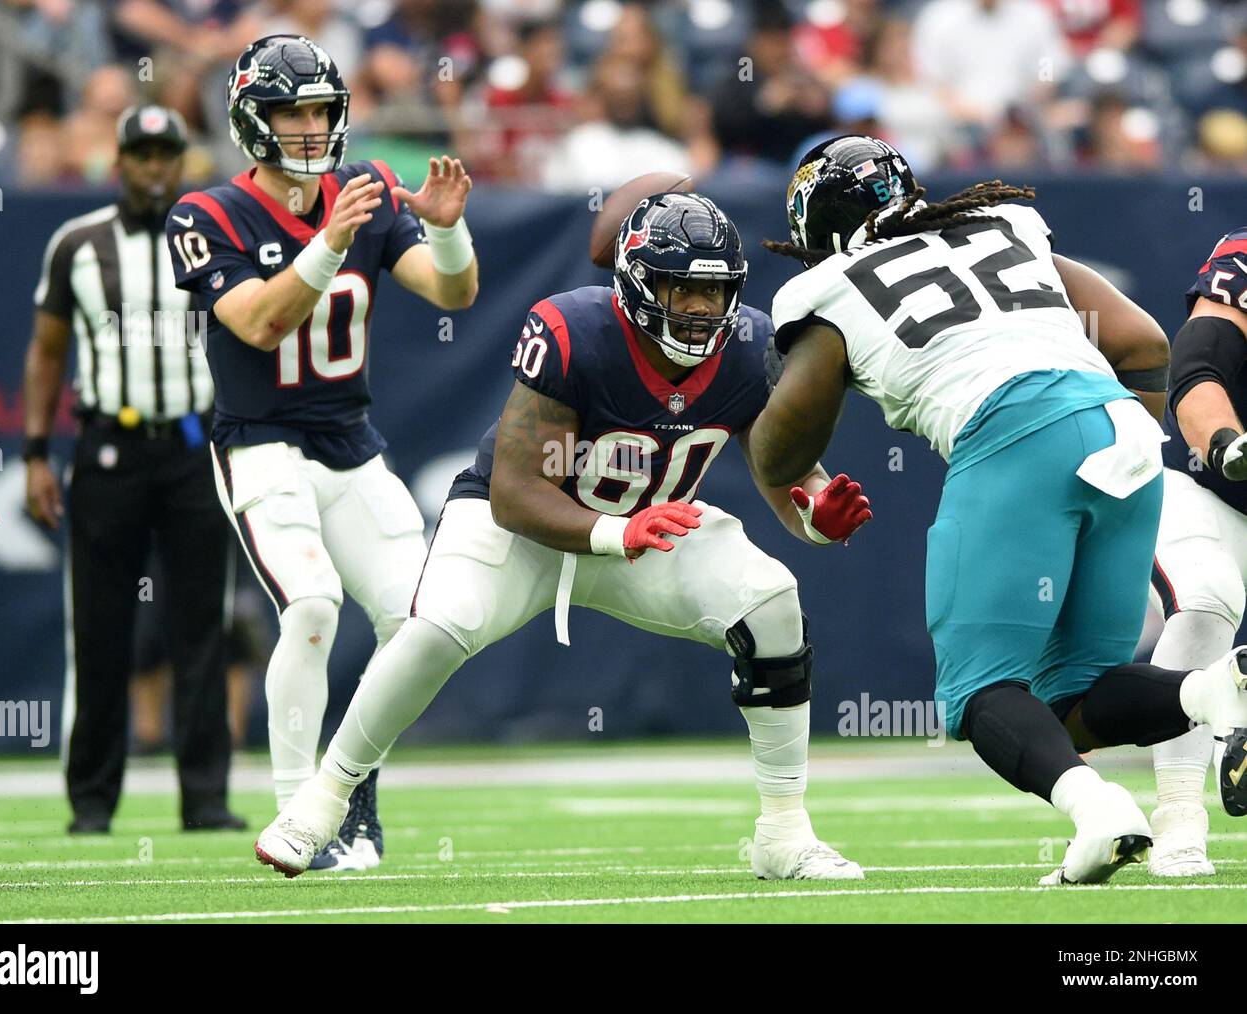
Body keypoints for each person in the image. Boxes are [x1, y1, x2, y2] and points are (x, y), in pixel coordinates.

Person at [254, 193, 873, 881]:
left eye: (714, 290)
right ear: (639, 283)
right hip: (520, 532)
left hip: (649, 531)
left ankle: (784, 832)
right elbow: (515, 494)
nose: (700, 309)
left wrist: (815, 514)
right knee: (435, 626)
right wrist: (617, 531)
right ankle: (326, 796)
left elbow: (782, 472)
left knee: (772, 601)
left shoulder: (751, 347)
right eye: (683, 289)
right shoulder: (575, 329)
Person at [751, 133, 1247, 886]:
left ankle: (1098, 813)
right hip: (1120, 431)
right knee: (1071, 698)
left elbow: (784, 450)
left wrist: (786, 469)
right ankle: (1213, 690)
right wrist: (1115, 445)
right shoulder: (1000, 225)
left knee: (981, 694)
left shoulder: (825, 289)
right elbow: (1145, 341)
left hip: (1012, 432)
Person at [166, 34, 478, 871]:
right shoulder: (207, 214)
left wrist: (447, 234)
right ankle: (297, 816)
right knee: (309, 605)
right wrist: (331, 243)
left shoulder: (362, 193)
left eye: (320, 110)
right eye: (290, 111)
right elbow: (261, 323)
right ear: (250, 120)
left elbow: (453, 291)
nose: (309, 127)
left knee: (419, 622)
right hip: (261, 442)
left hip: (350, 443)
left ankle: (355, 801)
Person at [23, 105, 242, 835]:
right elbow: (48, 351)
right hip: (108, 452)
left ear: (183, 162)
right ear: (119, 162)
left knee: (201, 627)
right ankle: (91, 804)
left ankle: (205, 799)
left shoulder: (212, 237)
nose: (153, 167)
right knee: (99, 628)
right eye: (140, 155)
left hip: (192, 450)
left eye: (165, 155)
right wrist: (31, 453)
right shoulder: (77, 243)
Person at [1145, 226, 1247, 877]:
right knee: (1208, 599)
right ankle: (1179, 817)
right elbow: (1199, 362)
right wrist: (1226, 442)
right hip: (1208, 487)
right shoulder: (1240, 260)